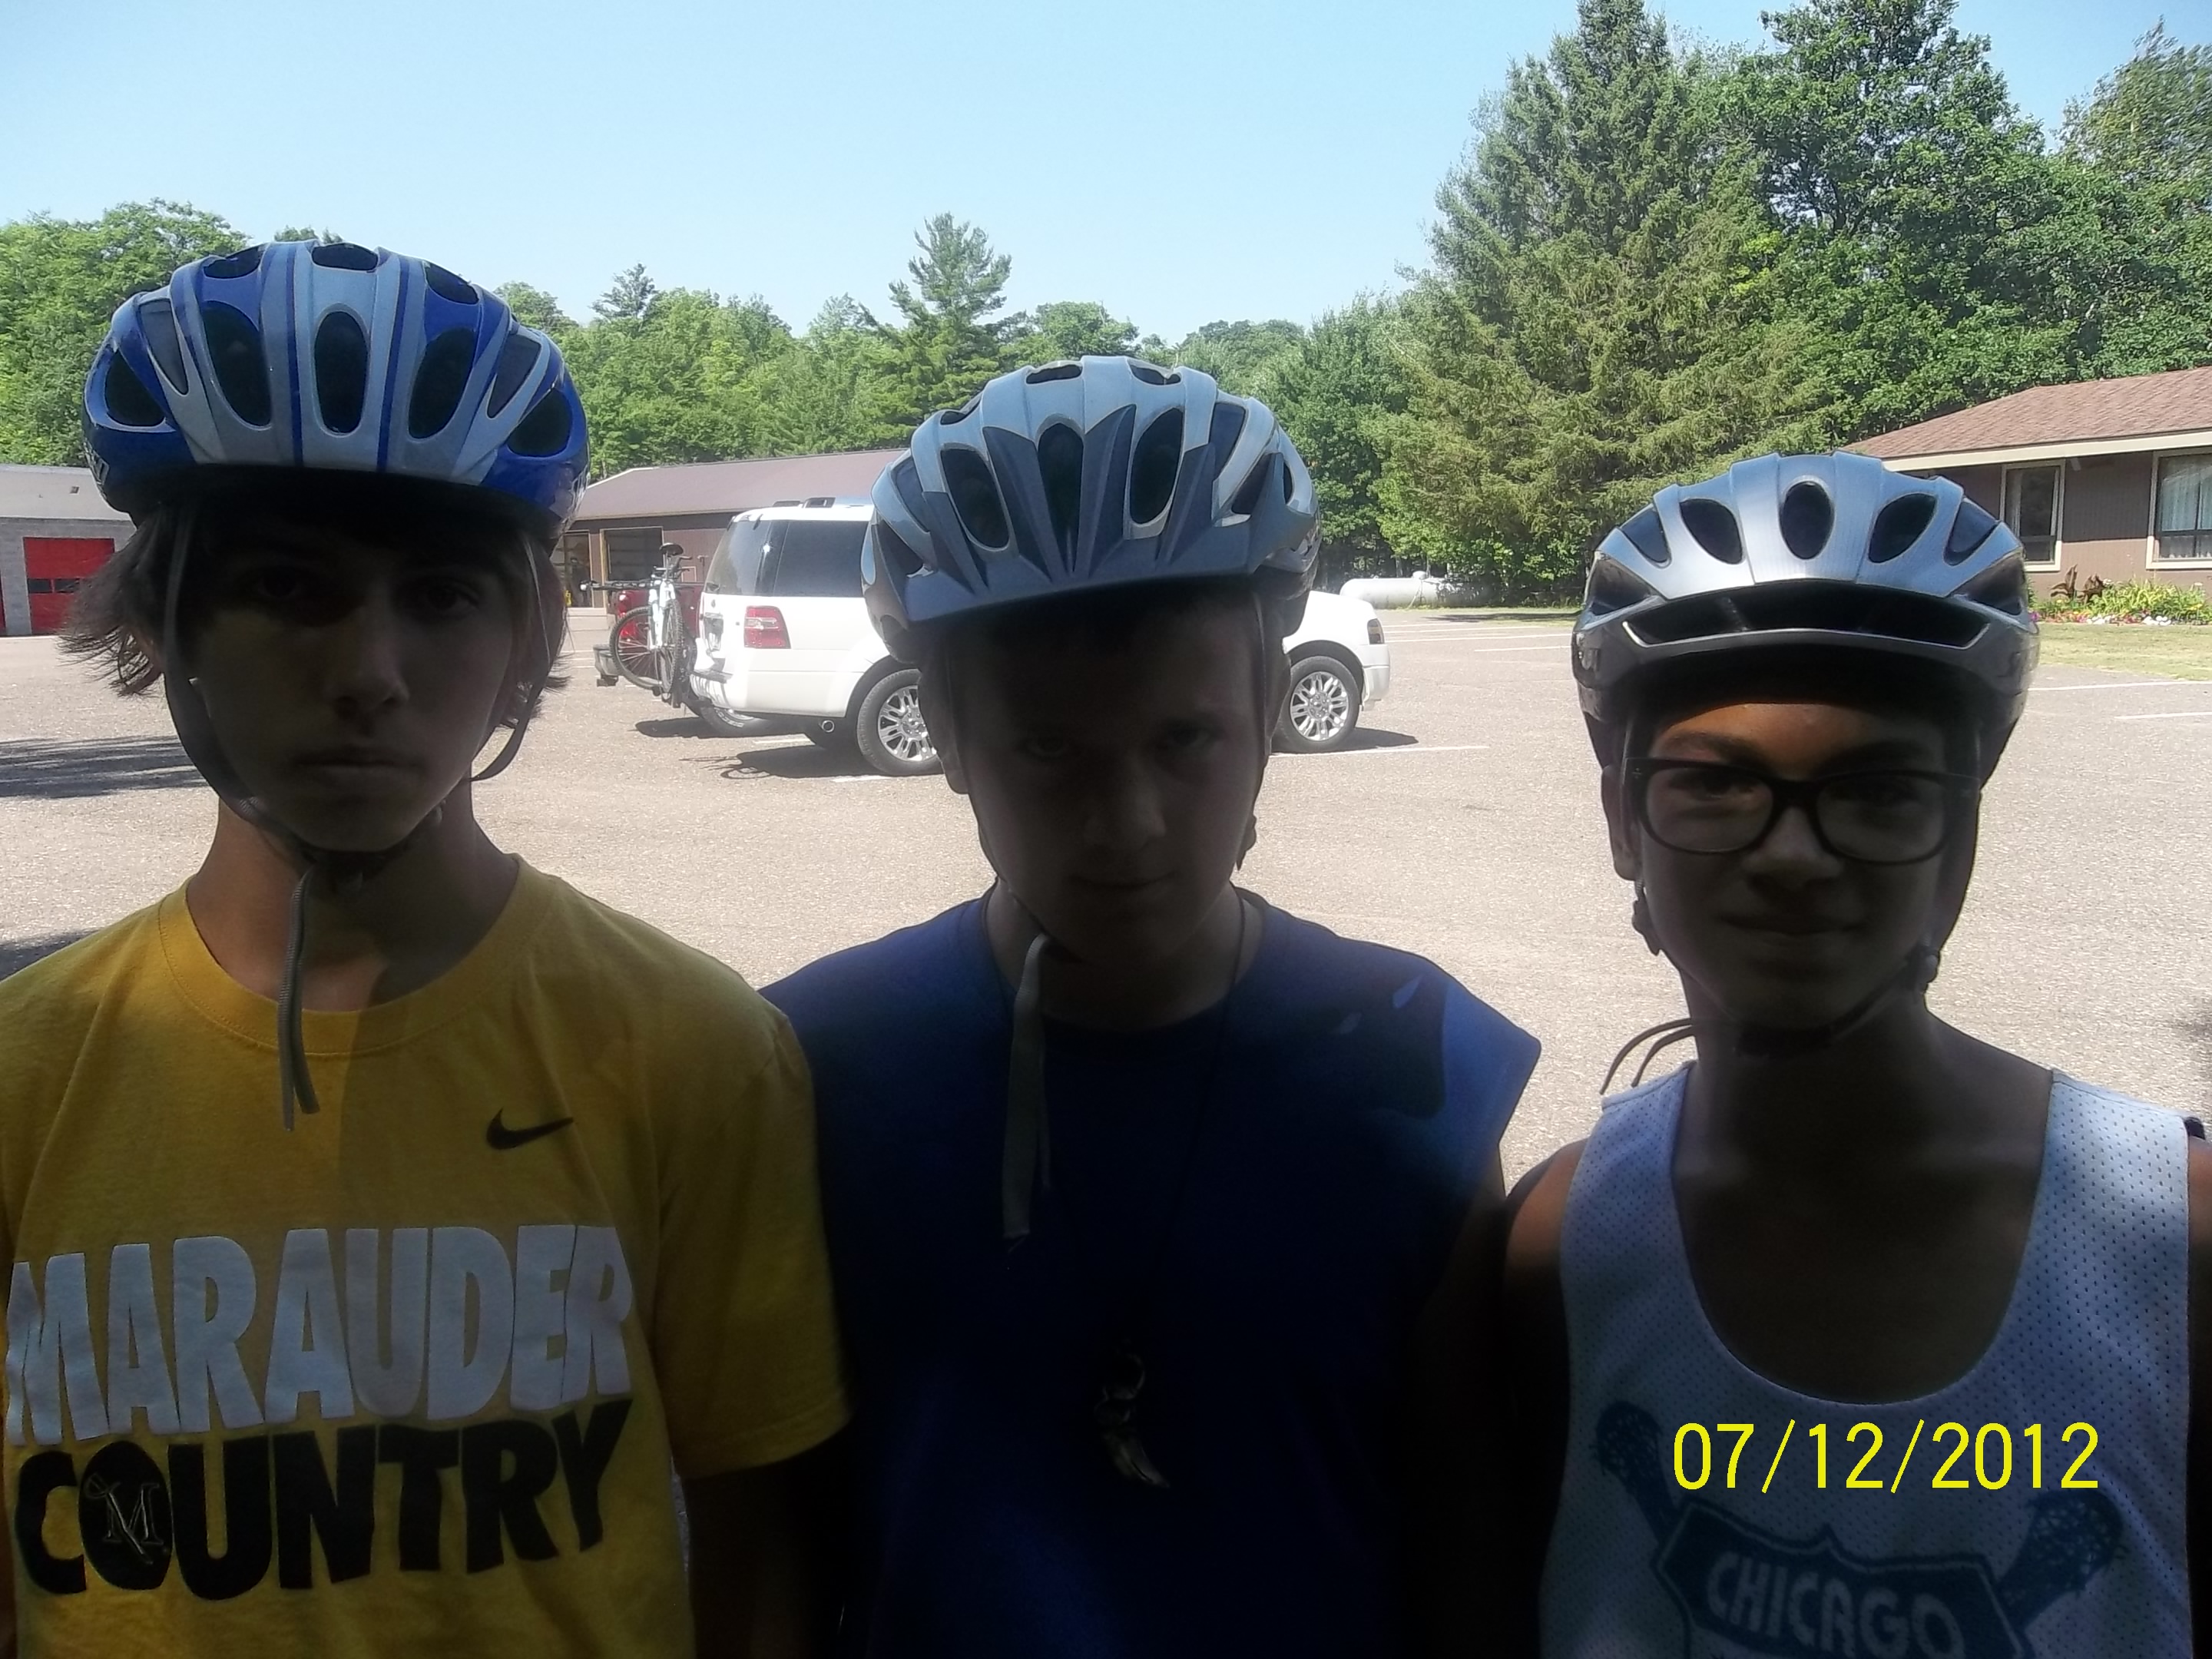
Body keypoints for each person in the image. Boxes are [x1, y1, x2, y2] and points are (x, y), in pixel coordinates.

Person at [1, 240, 846, 1655]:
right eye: (288, 588)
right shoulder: (28, 1076)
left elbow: (762, 1561)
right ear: (166, 620)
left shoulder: (691, 1052)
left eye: (444, 595)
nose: (370, 674)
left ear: (528, 639)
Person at [764, 356, 1539, 1657]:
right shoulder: (814, 1065)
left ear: (1270, 708)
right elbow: (775, 1539)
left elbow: (1467, 1532)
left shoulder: (1421, 1067)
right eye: (1047, 749)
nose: (1126, 826)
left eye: (1186, 741)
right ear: (943, 730)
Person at [1480, 452, 2201, 1654]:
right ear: (1622, 821)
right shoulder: (1565, 1247)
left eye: (1877, 790)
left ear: (1958, 841)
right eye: (1716, 784)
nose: (1795, 856)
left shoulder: (2170, 1244)